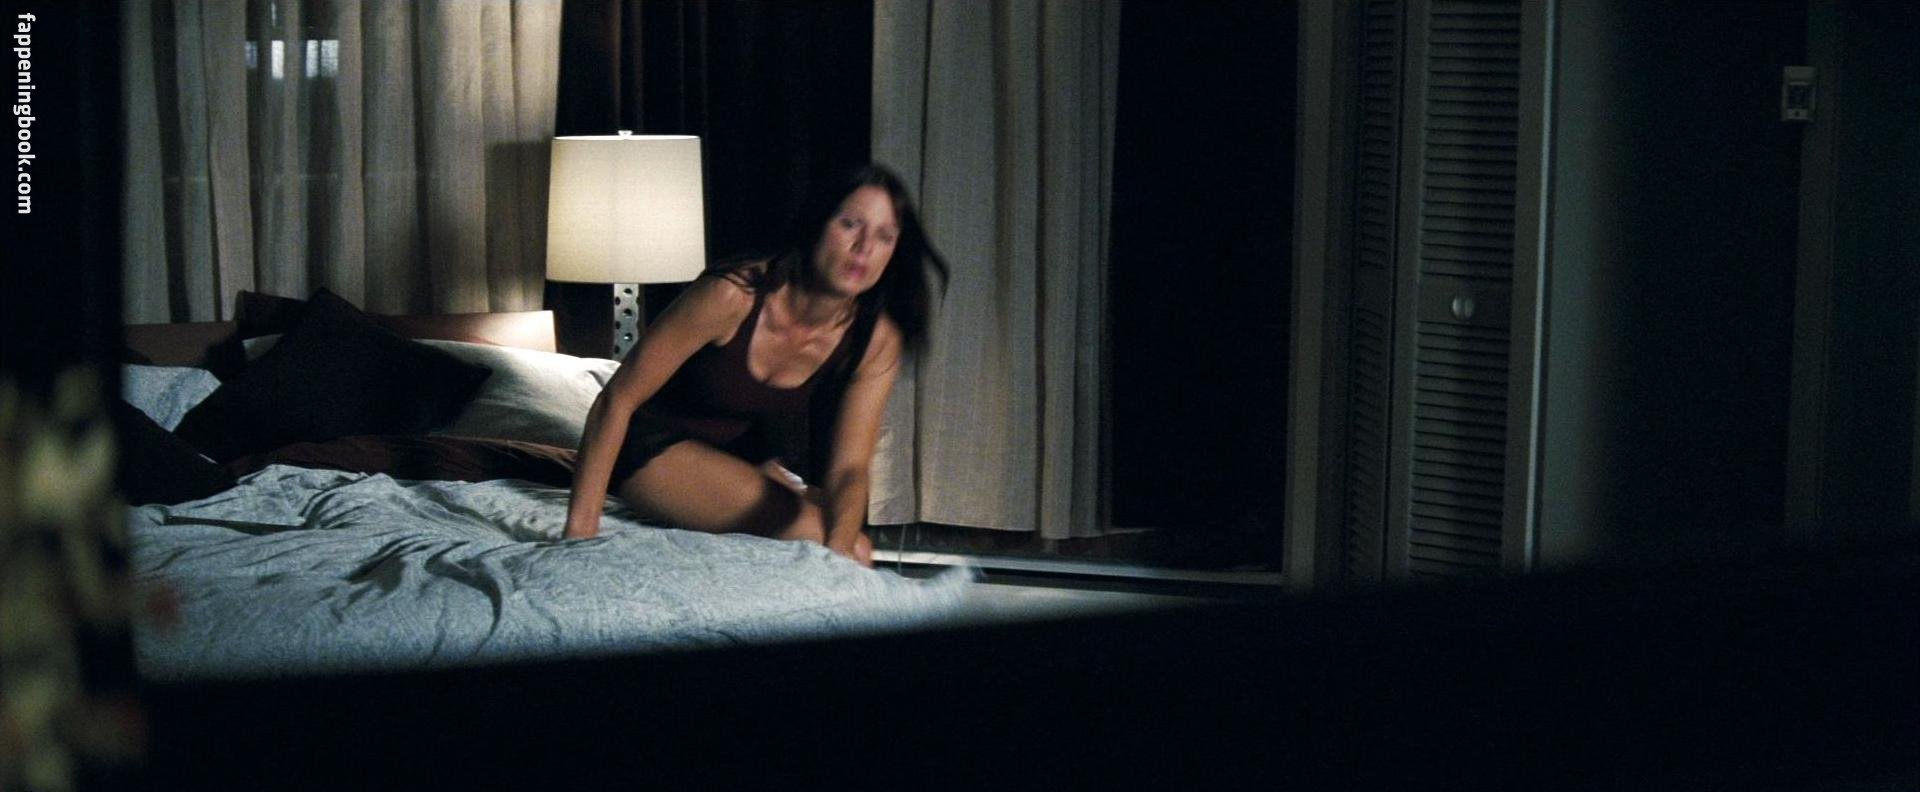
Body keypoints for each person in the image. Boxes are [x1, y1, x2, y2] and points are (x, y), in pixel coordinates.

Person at [562, 164, 947, 568]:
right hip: (651, 450)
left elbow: (850, 469)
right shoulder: (733, 295)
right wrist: (579, 533)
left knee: (854, 548)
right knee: (827, 539)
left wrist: (838, 556)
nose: (864, 247)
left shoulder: (875, 339)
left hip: (742, 459)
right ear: (817, 223)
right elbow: (617, 399)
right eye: (850, 224)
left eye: (884, 236)